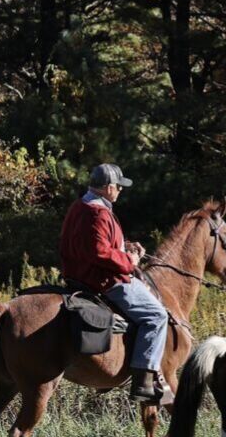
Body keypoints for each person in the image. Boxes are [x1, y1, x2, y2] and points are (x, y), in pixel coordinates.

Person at [59, 163, 170, 403]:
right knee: (157, 315)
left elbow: (96, 243)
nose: (120, 190)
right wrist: (129, 261)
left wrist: (125, 246)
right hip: (103, 280)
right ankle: (144, 379)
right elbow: (98, 252)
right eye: (118, 186)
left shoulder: (79, 206)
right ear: (108, 188)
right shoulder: (98, 212)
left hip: (78, 276)